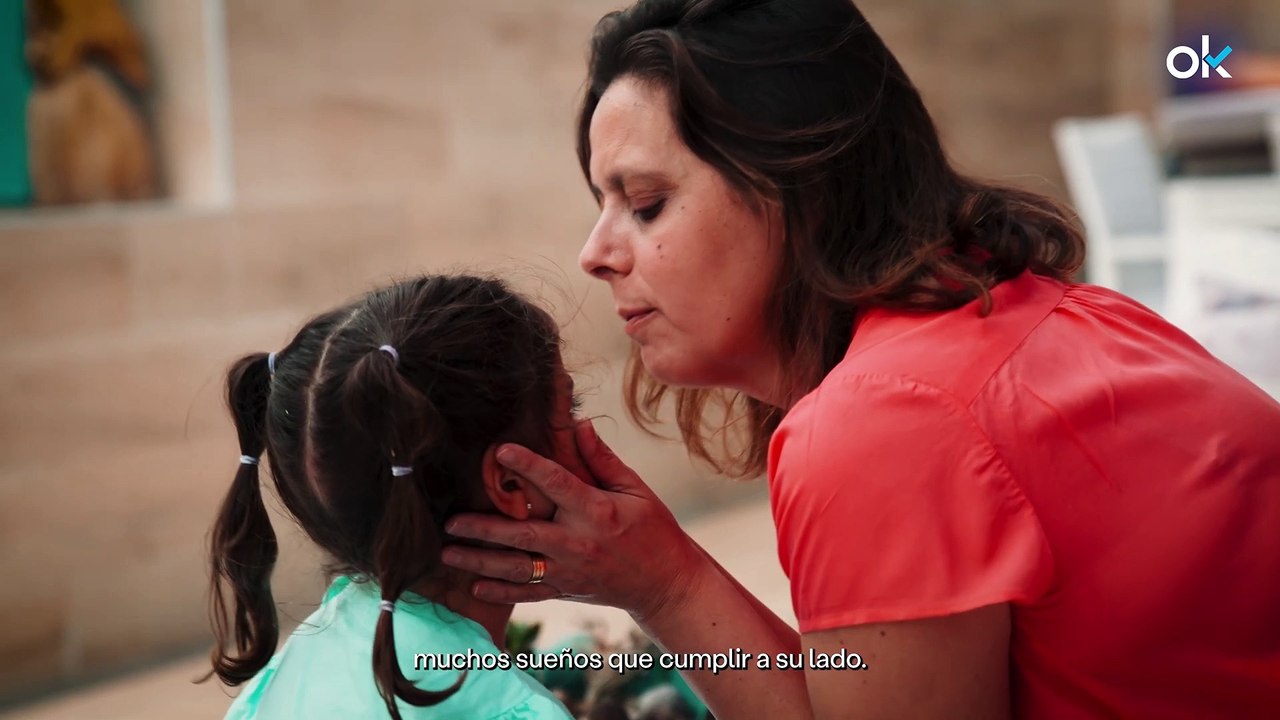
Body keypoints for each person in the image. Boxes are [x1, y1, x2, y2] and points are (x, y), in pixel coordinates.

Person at [438, 1, 1280, 718]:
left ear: (798, 185)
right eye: (602, 205)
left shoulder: (888, 416)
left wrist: (665, 587)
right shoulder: (1034, 307)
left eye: (646, 203)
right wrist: (661, 577)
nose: (596, 252)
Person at [205, 275, 580, 719]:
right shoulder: (518, 711)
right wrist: (664, 594)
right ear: (511, 483)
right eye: (570, 410)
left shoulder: (284, 676)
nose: (588, 433)